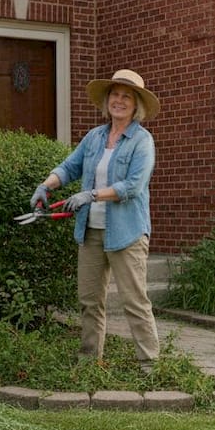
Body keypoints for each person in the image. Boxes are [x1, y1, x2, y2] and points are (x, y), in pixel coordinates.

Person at [30, 69, 161, 366]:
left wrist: (91, 195)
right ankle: (89, 362)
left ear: (136, 104)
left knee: (134, 302)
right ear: (107, 100)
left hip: (126, 233)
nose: (119, 100)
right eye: (115, 94)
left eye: (127, 96)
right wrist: (45, 185)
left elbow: (133, 186)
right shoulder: (94, 137)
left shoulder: (142, 141)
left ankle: (150, 365)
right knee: (89, 301)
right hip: (91, 231)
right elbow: (69, 167)